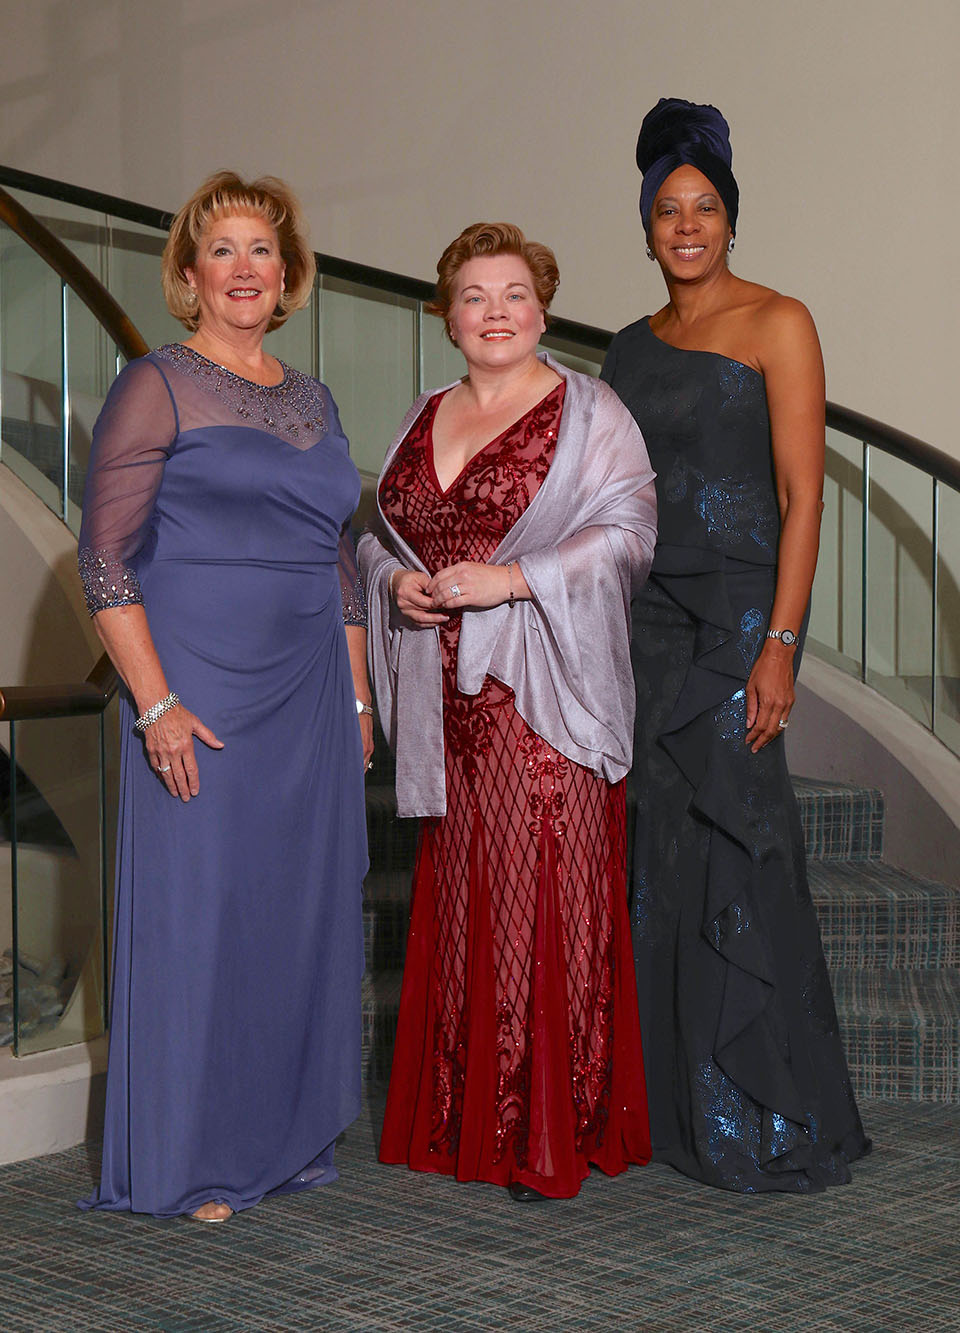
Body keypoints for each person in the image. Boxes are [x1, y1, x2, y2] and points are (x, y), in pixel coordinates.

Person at [76, 171, 372, 1221]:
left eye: (263, 251)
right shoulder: (156, 383)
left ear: (287, 275)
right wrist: (154, 704)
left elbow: (337, 562)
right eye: (224, 250)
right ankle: (193, 1156)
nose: (245, 268)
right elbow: (105, 563)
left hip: (306, 699)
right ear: (190, 274)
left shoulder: (315, 397)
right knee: (199, 920)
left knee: (287, 917)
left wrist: (357, 701)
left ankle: (277, 1136)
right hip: (196, 687)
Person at [601, 99, 870, 1192]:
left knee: (744, 855)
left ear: (731, 217)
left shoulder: (779, 322)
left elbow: (806, 497)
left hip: (740, 628)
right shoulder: (624, 348)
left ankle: (767, 1113)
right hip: (647, 630)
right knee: (660, 863)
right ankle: (678, 1113)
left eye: (704, 206)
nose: (687, 225)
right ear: (647, 224)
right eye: (668, 209)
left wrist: (782, 646)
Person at [358, 223, 656, 1201]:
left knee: (549, 894)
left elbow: (627, 537)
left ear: (544, 307)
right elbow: (376, 539)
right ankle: (463, 1116)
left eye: (515, 293)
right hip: (444, 702)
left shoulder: (591, 409)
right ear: (447, 316)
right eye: (475, 295)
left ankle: (548, 1125)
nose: (495, 311)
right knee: (463, 900)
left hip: (545, 693)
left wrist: (513, 577)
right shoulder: (419, 414)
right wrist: (393, 581)